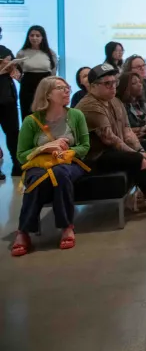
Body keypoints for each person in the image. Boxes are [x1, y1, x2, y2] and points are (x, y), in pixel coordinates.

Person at [75, 64, 146, 214]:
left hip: (110, 150)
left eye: (114, 82)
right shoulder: (90, 106)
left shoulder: (115, 101)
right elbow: (110, 139)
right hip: (94, 157)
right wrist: (136, 154)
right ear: (93, 87)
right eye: (107, 84)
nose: (112, 87)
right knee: (136, 159)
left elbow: (126, 131)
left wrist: (140, 149)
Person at [11, 77, 89, 256]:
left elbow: (85, 147)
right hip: (40, 162)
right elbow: (22, 156)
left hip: (69, 162)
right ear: (47, 95)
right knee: (37, 178)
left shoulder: (76, 115)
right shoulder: (31, 121)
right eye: (61, 88)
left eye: (67, 87)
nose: (67, 91)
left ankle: (66, 226)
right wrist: (44, 148)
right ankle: (24, 231)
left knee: (60, 173)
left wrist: (66, 151)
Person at [16, 25, 59, 122]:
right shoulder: (22, 53)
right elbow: (17, 72)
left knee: (45, 116)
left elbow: (53, 73)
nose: (34, 38)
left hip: (45, 88)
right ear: (28, 37)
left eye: (37, 35)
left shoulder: (50, 53)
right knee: (28, 116)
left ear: (42, 37)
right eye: (32, 35)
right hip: (27, 88)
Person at [1, 26, 22, 179]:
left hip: (7, 98)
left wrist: (14, 69)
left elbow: (17, 70)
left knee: (13, 133)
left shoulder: (5, 50)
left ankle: (17, 164)